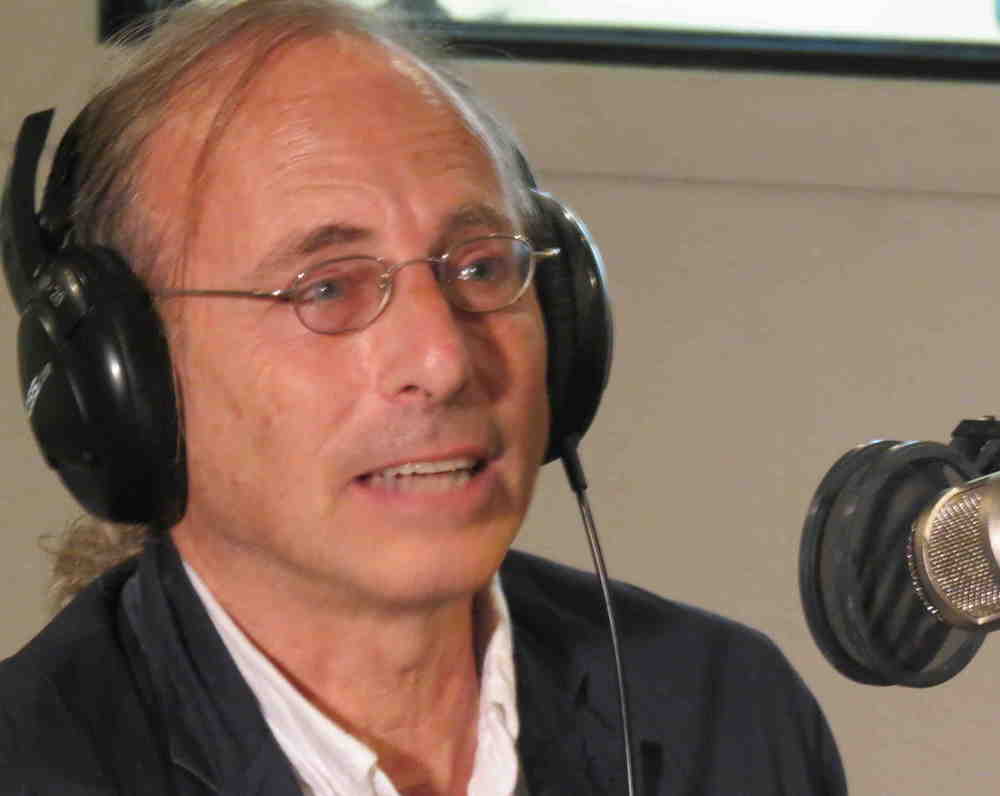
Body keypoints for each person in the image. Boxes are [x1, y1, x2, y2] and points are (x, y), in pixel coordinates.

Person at [0, 1, 847, 794]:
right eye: (326, 288)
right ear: (124, 380)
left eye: (479, 268)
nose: (444, 361)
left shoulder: (726, 717)